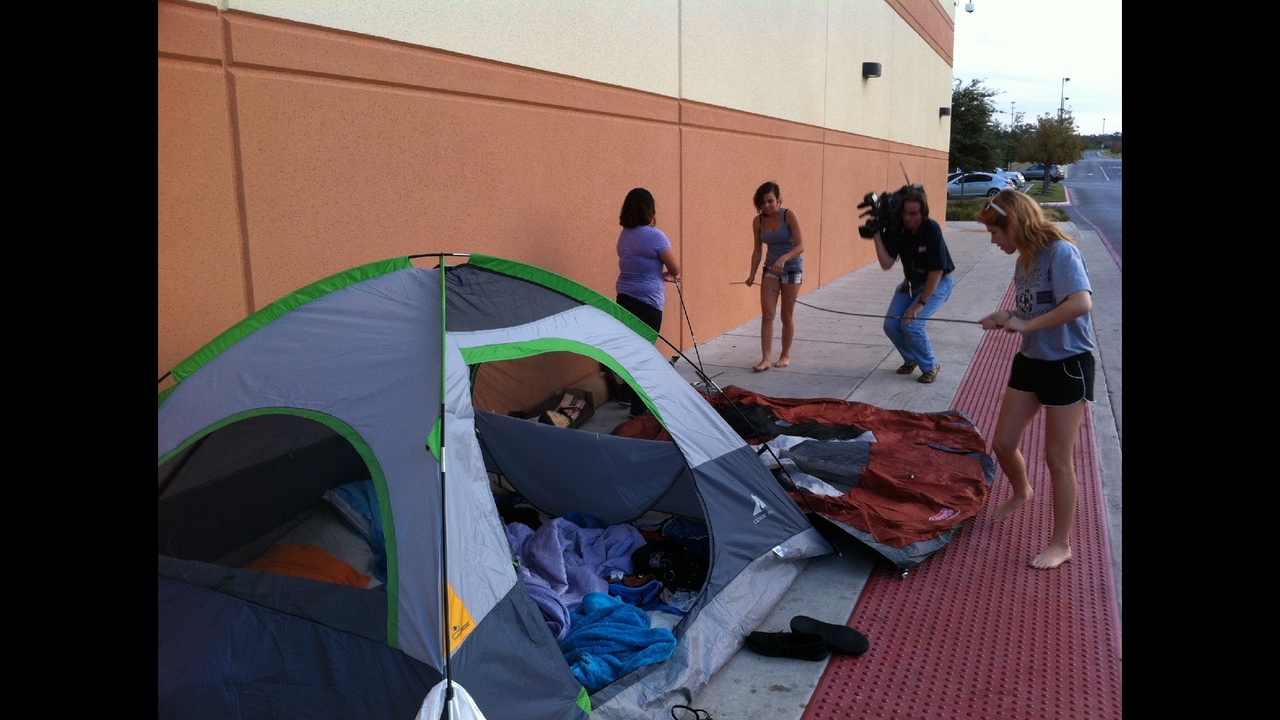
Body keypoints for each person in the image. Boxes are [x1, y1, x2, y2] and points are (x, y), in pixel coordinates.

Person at [974, 188, 1096, 570]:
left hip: (1067, 364)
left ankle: (1061, 544)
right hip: (1031, 361)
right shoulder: (1024, 260)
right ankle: (1022, 490)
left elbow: (1080, 303)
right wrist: (1007, 315)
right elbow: (1033, 308)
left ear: (1013, 225)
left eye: (995, 232)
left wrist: (1026, 324)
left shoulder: (1061, 253)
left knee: (1057, 459)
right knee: (1003, 443)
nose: (993, 240)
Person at [869, 189, 954, 383]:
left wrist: (920, 304)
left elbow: (936, 271)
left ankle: (930, 366)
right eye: (905, 213)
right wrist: (876, 235)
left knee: (912, 324)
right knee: (891, 325)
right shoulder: (899, 230)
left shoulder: (931, 229)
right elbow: (886, 263)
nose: (908, 218)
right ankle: (911, 359)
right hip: (911, 284)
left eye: (913, 214)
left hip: (937, 282)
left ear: (923, 213)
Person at [614, 187, 681, 416]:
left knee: (630, 350)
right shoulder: (655, 236)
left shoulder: (624, 236)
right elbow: (675, 268)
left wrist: (655, 272)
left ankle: (626, 393)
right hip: (648, 303)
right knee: (644, 353)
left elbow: (636, 265)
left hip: (624, 299)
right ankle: (638, 409)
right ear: (649, 209)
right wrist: (665, 274)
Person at [745, 181, 804, 371]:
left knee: (786, 314)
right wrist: (752, 274)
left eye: (770, 201)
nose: (766, 206)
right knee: (768, 314)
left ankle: (785, 354)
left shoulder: (788, 215)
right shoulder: (758, 221)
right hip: (770, 268)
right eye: (763, 202)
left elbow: (800, 246)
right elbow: (757, 250)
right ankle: (766, 359)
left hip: (792, 267)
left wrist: (784, 259)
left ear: (778, 199)